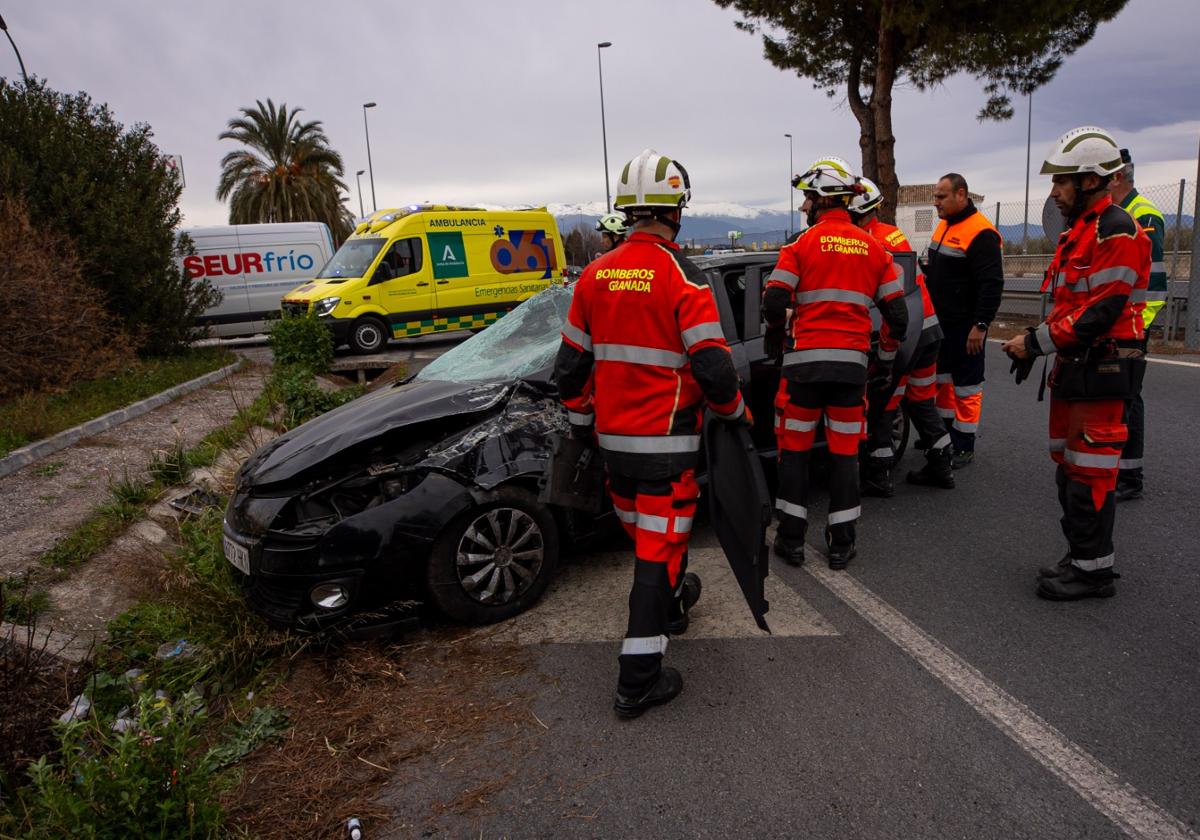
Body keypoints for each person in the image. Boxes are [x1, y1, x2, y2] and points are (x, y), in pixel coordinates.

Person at [554, 149, 748, 718]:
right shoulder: (682, 276)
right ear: (676, 210)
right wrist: (736, 413)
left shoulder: (593, 274)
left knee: (649, 545)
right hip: (668, 449)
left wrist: (584, 424)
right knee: (656, 557)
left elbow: (567, 371)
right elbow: (713, 368)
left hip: (613, 450)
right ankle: (637, 680)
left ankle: (672, 609)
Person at [1001, 125, 1150, 601]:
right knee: (1069, 470)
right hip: (1076, 369)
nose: (1054, 192)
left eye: (1061, 182)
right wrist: (1037, 342)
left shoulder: (1116, 230)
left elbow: (1102, 311)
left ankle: (1093, 573)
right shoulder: (1079, 233)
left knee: (1090, 475)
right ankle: (1081, 557)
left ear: (1090, 180)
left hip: (1101, 370)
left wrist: (1035, 344)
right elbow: (1070, 307)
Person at [763, 157, 907, 568]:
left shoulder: (799, 247)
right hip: (851, 372)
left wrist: (777, 335)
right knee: (845, 455)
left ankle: (791, 539)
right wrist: (884, 359)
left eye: (807, 199)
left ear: (821, 197)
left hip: (803, 372)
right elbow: (897, 316)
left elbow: (774, 300)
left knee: (795, 452)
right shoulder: (876, 251)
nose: (804, 207)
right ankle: (842, 542)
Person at [849, 178, 951, 496]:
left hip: (908, 335)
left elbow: (885, 304)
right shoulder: (890, 234)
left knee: (882, 402)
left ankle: (879, 476)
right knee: (921, 399)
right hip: (928, 330)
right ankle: (941, 463)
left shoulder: (871, 242)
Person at [924, 173, 1004, 469]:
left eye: (941, 197)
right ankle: (943, 437)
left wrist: (980, 325)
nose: (936, 203)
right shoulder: (944, 226)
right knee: (943, 383)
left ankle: (964, 446)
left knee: (967, 388)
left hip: (965, 326)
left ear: (961, 194)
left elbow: (991, 284)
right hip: (941, 323)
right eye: (935, 196)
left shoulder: (981, 232)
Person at [1109, 148, 1167, 501]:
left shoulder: (1142, 216)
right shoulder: (1117, 215)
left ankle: (1130, 477)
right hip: (1117, 326)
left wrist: (1135, 332)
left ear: (1116, 178)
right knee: (1115, 398)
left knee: (1128, 397)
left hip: (1131, 328)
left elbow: (1154, 286)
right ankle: (1114, 466)